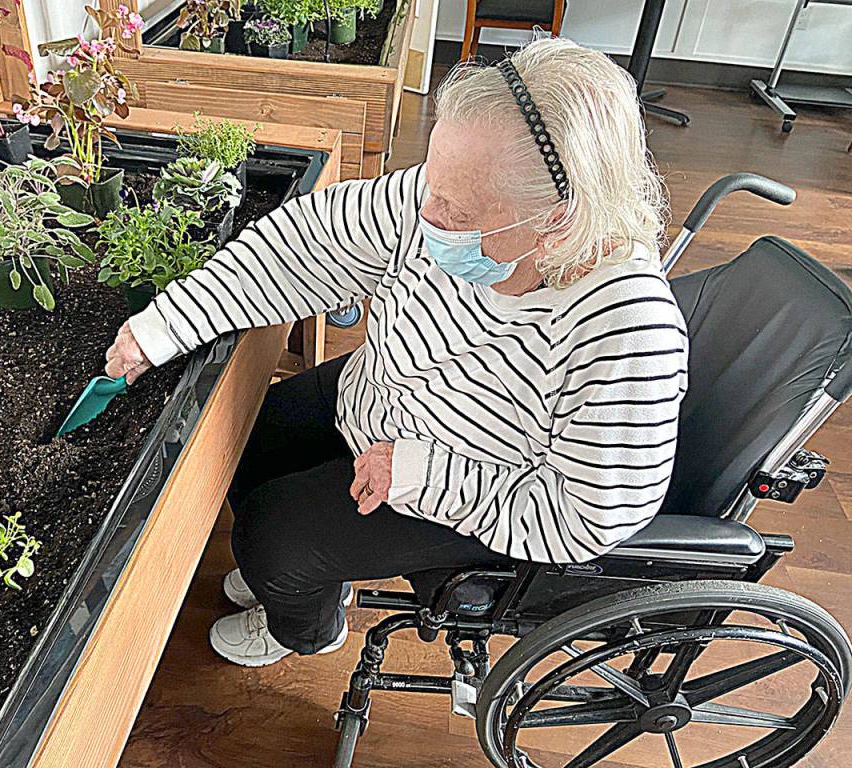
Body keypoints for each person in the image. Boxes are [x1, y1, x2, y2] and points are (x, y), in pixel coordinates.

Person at [104, 37, 688, 667]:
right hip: (379, 396)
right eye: (430, 181)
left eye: (455, 208)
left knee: (272, 538)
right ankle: (297, 584)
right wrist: (162, 328)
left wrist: (419, 476)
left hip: (472, 482)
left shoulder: (627, 332)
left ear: (557, 222)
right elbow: (307, 244)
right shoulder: (441, 199)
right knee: (248, 441)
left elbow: (586, 517)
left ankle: (305, 624)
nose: (424, 212)